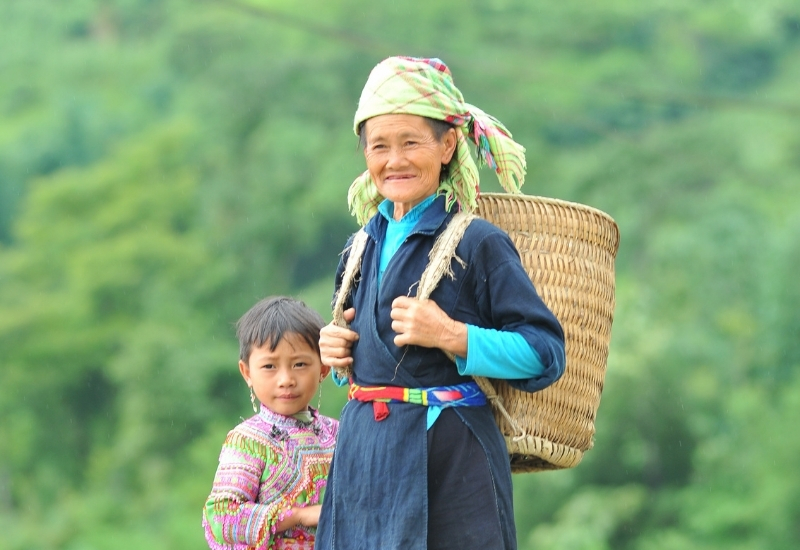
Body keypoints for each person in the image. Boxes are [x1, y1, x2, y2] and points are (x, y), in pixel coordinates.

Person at [316, 56, 567, 550]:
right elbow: (372, 364)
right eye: (380, 146)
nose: (395, 160)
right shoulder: (359, 247)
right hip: (365, 461)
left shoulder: (477, 243)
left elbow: (546, 353)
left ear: (448, 144)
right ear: (364, 153)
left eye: (411, 142)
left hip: (452, 462)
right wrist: (339, 353)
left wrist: (450, 335)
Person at [203, 296, 338, 550]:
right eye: (269, 366)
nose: (286, 379)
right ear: (247, 373)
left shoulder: (339, 434)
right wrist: (298, 515)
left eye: (299, 364)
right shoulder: (249, 441)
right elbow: (221, 517)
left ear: (323, 368)